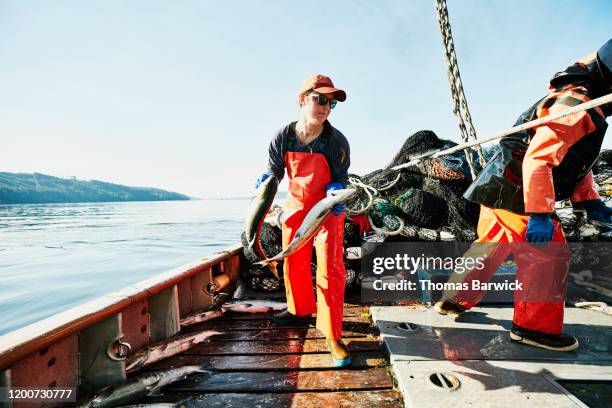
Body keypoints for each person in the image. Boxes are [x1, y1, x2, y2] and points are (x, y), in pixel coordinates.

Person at [434, 39, 612, 351]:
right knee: (548, 257)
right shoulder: (577, 102)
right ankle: (533, 329)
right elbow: (539, 159)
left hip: (497, 188)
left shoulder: (577, 95)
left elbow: (573, 160)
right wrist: (541, 215)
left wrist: (590, 200)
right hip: (519, 190)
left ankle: (453, 300)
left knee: (488, 247)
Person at [255, 74, 352, 366]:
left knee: (331, 268)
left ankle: (332, 333)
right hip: (296, 206)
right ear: (302, 99)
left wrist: (337, 191)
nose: (325, 106)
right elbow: (275, 172)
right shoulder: (282, 137)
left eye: (331, 103)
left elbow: (340, 178)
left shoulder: (336, 141)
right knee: (293, 262)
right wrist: (267, 182)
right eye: (319, 99)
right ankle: (298, 309)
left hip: (326, 210)